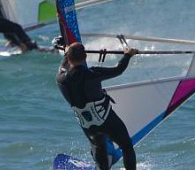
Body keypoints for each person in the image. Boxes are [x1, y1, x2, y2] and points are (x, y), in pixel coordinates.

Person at [56, 42, 138, 170]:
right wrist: (128, 55)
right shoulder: (93, 74)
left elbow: (62, 67)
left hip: (88, 125)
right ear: (85, 57)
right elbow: (118, 69)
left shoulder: (60, 79)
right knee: (126, 147)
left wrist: (66, 53)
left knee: (100, 151)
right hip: (106, 120)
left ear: (68, 58)